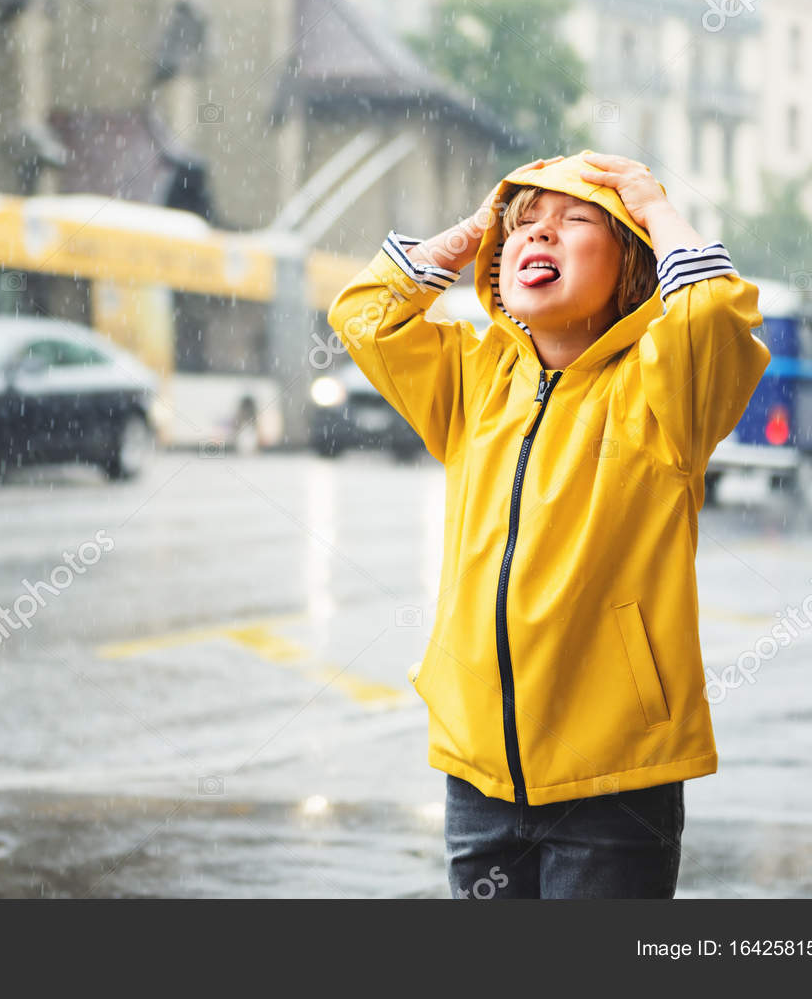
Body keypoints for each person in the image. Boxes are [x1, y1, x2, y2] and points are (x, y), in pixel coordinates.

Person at [326, 151, 771, 899]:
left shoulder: (664, 389)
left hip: (613, 783)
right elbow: (362, 313)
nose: (540, 235)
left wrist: (653, 207)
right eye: (524, 225)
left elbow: (715, 313)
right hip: (479, 776)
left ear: (631, 262)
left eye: (574, 222)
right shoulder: (475, 378)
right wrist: (475, 232)